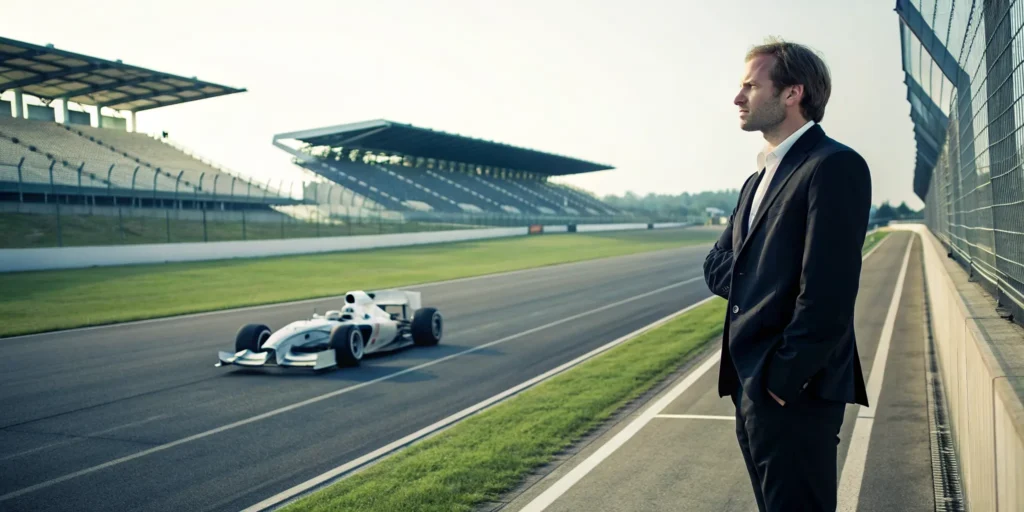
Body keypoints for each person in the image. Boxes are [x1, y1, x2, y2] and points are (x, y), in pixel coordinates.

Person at [702, 37, 871, 512]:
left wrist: (781, 382)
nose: (738, 98)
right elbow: (715, 264)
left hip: (793, 390)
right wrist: (773, 274)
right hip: (751, 387)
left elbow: (828, 295)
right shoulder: (756, 179)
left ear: (793, 93)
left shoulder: (833, 166)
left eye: (751, 87)